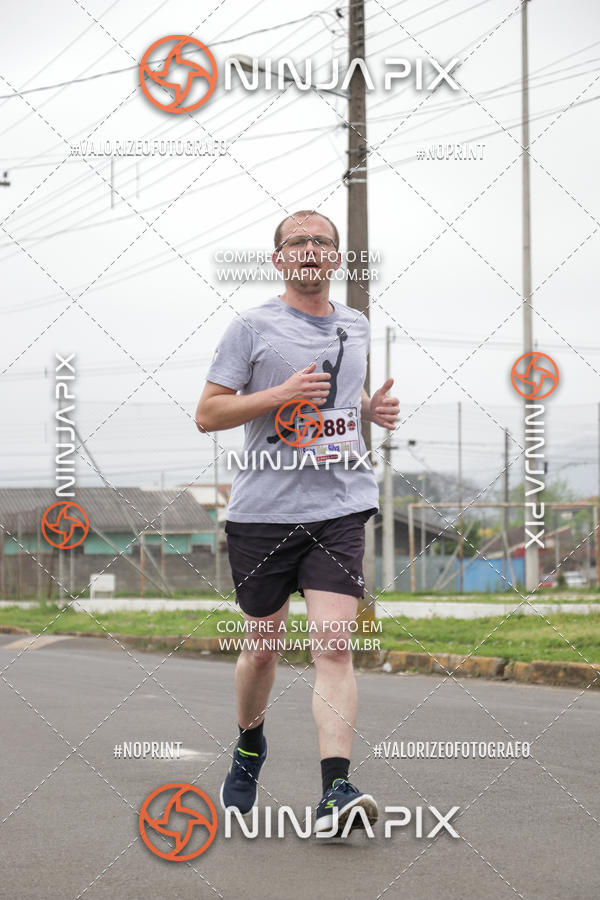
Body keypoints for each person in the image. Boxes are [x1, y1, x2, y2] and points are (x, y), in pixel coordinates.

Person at [195, 209, 399, 835]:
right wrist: (278, 395)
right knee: (262, 650)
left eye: (322, 242)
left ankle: (336, 789)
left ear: (337, 257)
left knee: (334, 645)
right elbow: (208, 413)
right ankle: (250, 744)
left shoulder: (357, 324)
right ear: (280, 259)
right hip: (263, 512)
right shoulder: (251, 327)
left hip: (339, 505)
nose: (311, 250)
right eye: (297, 242)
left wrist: (371, 408)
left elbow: (341, 388)